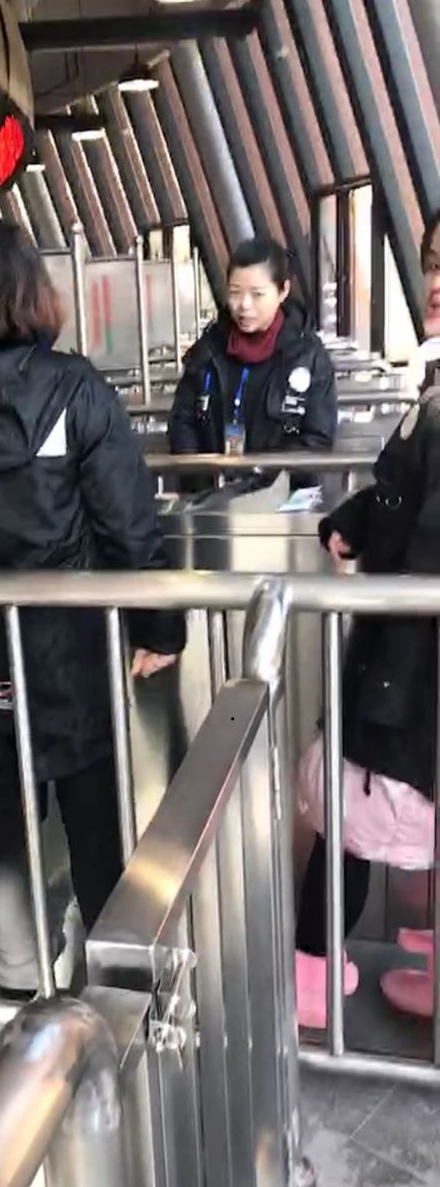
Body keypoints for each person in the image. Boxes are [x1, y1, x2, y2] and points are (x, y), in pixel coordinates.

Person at [0, 216, 186, 998]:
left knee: (7, 804)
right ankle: (112, 982)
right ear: (29, 289)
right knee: (92, 812)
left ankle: (17, 972)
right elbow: (128, 525)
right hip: (69, 644)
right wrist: (158, 626)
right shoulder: (73, 389)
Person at [295, 208, 440, 1026]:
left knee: (349, 813)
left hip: (410, 662)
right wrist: (355, 519)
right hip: (407, 656)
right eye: (432, 263)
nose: (435, 283)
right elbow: (401, 494)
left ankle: (311, 974)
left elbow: (422, 530)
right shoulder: (433, 388)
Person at [168, 237, 336, 488]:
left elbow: (317, 438)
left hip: (283, 499)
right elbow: (182, 422)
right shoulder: (208, 351)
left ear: (283, 291)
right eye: (235, 293)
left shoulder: (308, 357)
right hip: (211, 497)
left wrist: (262, 482)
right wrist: (202, 481)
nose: (244, 305)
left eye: (257, 294)